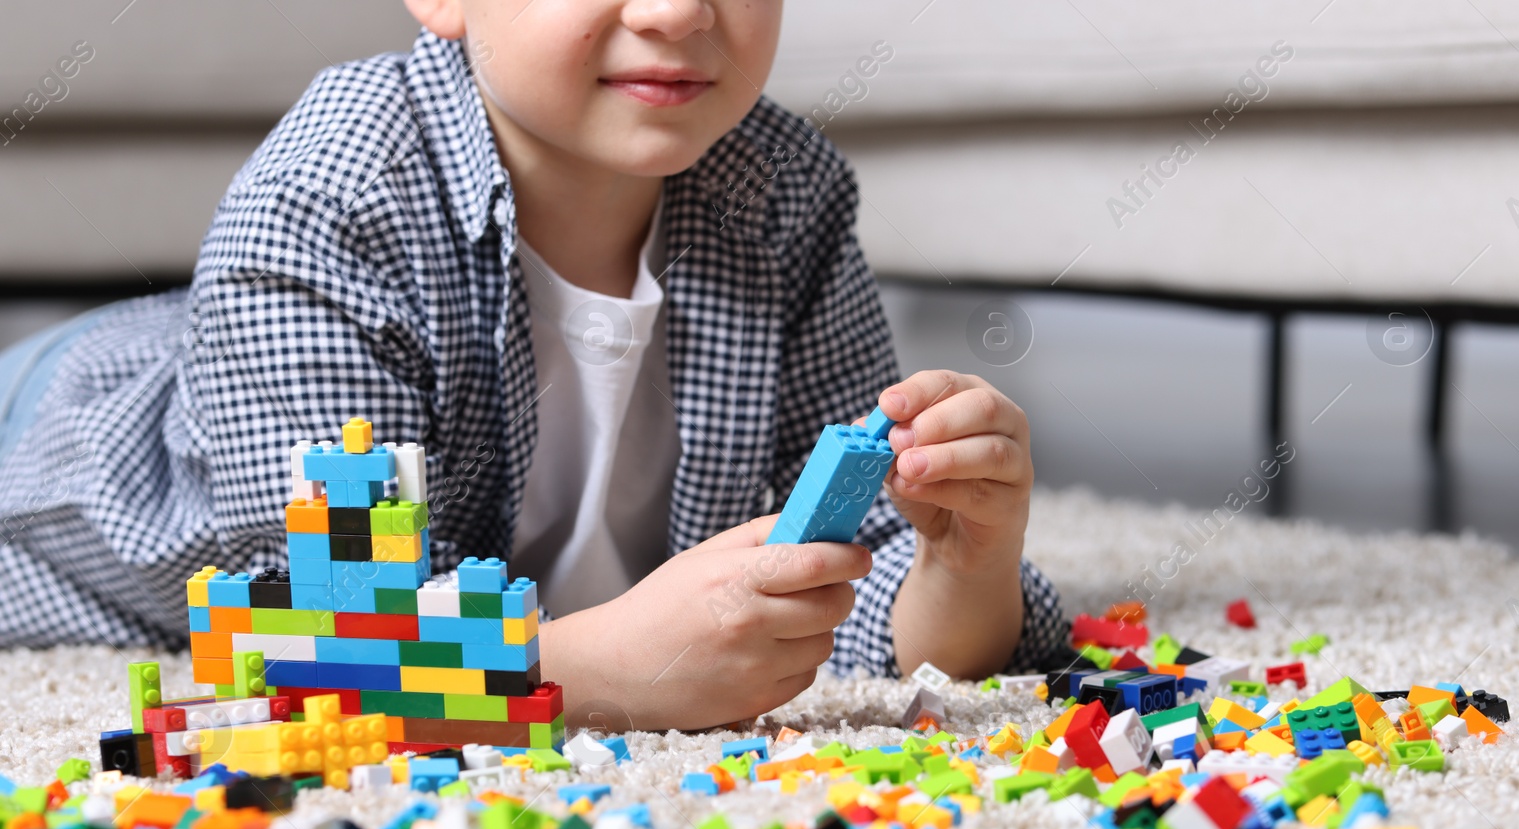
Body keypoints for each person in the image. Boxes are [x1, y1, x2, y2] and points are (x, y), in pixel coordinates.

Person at [0, 0, 1064, 729]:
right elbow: (310, 643)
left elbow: (860, 583)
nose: (679, 13)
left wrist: (959, 563)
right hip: (65, 432)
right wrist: (602, 672)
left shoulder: (784, 192)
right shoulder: (331, 196)